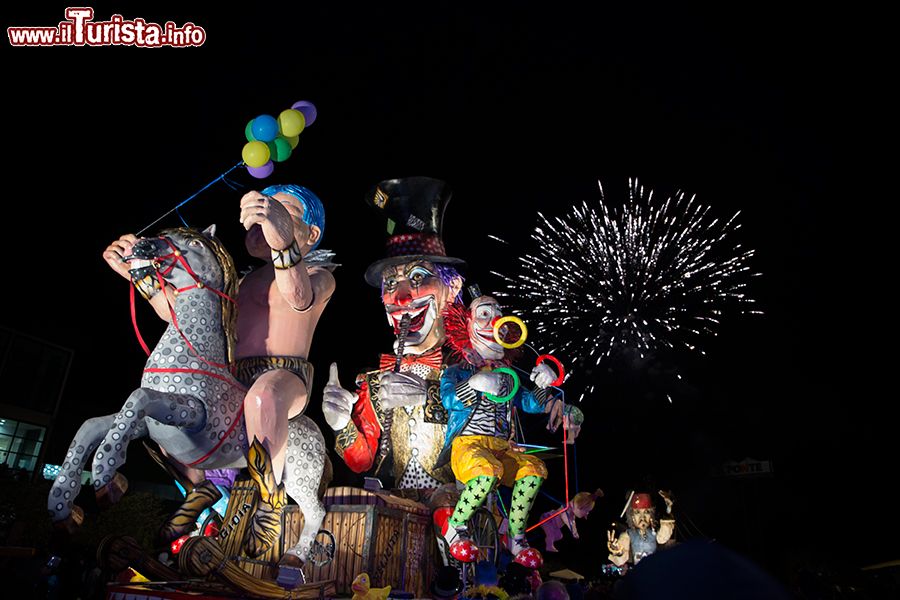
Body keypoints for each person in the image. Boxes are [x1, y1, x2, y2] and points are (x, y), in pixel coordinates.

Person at [102, 183, 335, 558]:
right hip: (231, 376)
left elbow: (298, 296)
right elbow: (177, 309)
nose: (266, 219)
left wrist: (281, 236)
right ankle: (200, 488)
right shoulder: (237, 283)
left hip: (283, 376)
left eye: (284, 212)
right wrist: (136, 270)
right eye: (265, 212)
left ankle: (269, 503)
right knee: (171, 411)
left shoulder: (319, 275)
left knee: (264, 397)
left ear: (311, 234)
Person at [322, 177, 464, 492]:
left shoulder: (469, 369)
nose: (400, 298)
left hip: (461, 510)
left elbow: (492, 428)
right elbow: (361, 461)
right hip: (398, 511)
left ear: (451, 288)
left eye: (417, 277)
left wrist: (429, 396)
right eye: (390, 283)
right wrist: (341, 424)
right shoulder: (375, 381)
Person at [438, 294, 578, 568]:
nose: (495, 321)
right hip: (468, 446)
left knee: (534, 468)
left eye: (499, 314)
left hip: (502, 448)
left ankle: (516, 538)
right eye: (485, 315)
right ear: (467, 324)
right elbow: (448, 400)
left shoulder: (507, 375)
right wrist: (474, 384)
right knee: (486, 470)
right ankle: (455, 527)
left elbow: (527, 402)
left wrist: (542, 385)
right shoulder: (455, 371)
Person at [606, 491, 675, 568]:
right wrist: (617, 551)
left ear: (651, 515)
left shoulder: (654, 532)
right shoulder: (628, 535)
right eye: (637, 512)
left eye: (646, 512)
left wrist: (669, 509)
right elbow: (622, 557)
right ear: (632, 516)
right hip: (639, 573)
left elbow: (664, 536)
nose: (642, 517)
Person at [539, 488, 604, 552]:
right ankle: (549, 546)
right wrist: (572, 530)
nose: (587, 513)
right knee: (551, 534)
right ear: (580, 507)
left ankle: (548, 539)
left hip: (554, 526)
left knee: (559, 536)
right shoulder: (567, 509)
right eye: (586, 511)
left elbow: (573, 522)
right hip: (548, 520)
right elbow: (565, 518)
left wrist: (575, 531)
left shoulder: (573, 513)